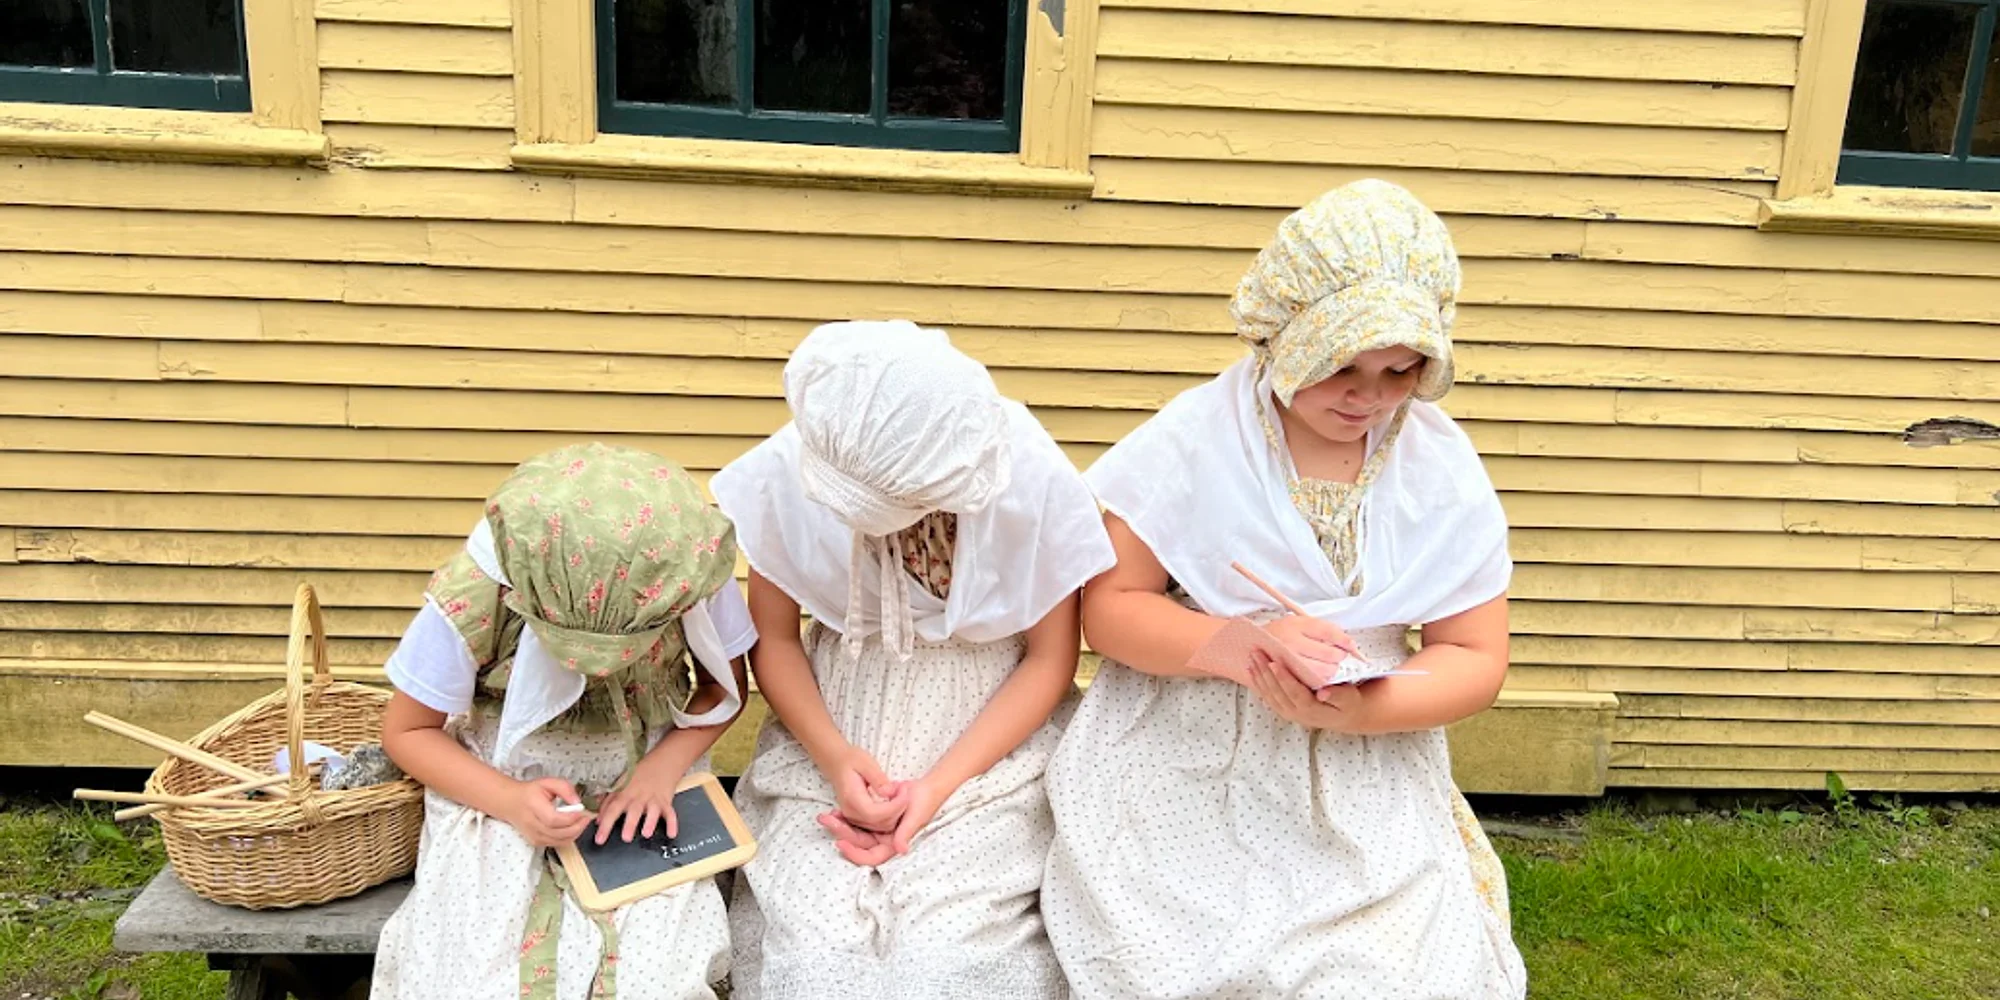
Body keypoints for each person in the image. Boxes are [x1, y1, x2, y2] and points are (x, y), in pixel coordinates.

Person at [1041, 179, 1527, 999]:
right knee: (1178, 950)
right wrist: (1242, 645)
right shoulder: (1196, 440)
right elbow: (1112, 611)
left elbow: (1474, 654)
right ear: (1281, 339)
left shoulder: (1437, 467)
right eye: (1340, 366)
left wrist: (1368, 708)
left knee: (1387, 968)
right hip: (1190, 734)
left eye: (1400, 370)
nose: (1368, 397)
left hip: (1362, 747)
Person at [712, 319, 1114, 999]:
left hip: (987, 741)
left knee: (949, 956)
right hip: (837, 720)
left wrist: (935, 789)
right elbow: (775, 640)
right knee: (817, 951)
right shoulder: (801, 464)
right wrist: (836, 759)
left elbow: (1048, 660)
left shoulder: (1030, 483)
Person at [371, 443, 756, 1000]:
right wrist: (510, 801)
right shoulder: (478, 593)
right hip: (498, 789)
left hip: (647, 785)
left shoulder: (686, 575)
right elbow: (408, 731)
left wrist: (659, 772)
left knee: (655, 973)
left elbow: (724, 691)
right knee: (480, 971)